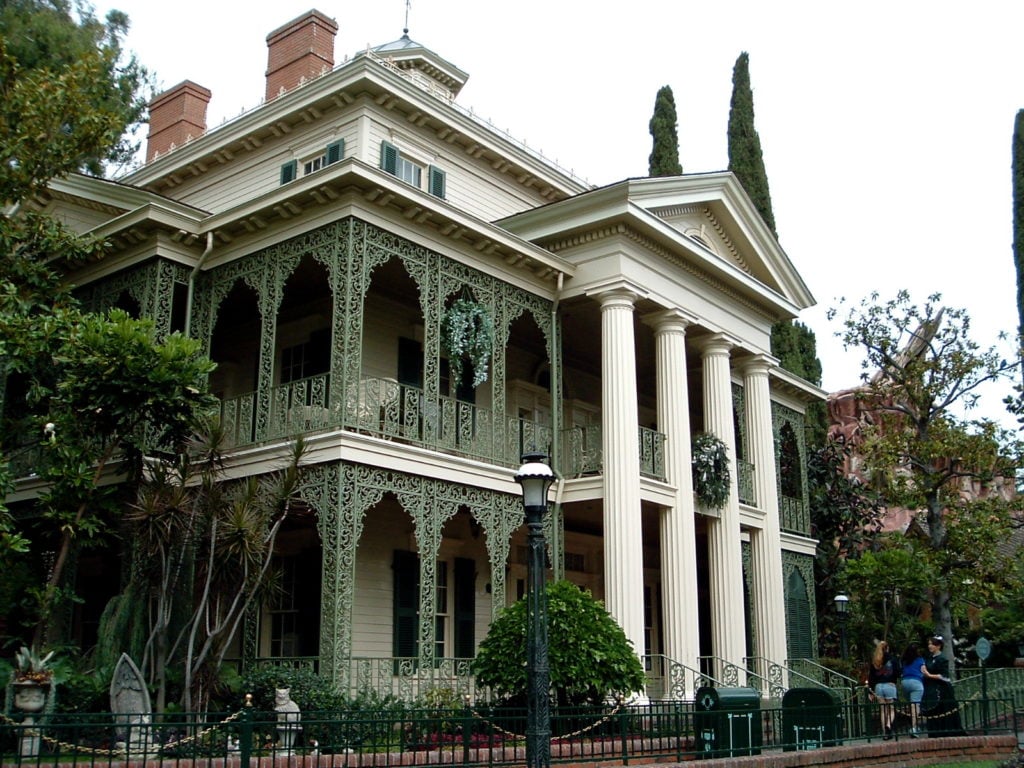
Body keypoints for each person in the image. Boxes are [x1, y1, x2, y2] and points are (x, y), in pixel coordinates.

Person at [920, 635, 966, 737]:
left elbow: (945, 676)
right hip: (929, 688)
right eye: (929, 644)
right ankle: (934, 732)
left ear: (938, 646)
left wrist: (930, 675)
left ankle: (946, 731)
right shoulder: (928, 658)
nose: (930, 646)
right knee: (932, 711)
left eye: (932, 644)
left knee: (943, 710)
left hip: (941, 689)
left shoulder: (942, 659)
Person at [867, 640, 899, 738]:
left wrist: (870, 691)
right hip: (890, 685)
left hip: (878, 686)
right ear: (888, 648)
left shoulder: (875, 661)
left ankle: (884, 733)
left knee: (883, 710)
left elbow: (871, 677)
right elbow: (897, 672)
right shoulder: (893, 659)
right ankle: (889, 725)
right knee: (891, 709)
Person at [900, 643, 925, 737]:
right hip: (916, 682)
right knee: (915, 705)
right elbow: (923, 671)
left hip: (905, 682)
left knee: (910, 704)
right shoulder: (920, 660)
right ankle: (914, 727)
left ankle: (912, 724)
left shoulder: (904, 661)